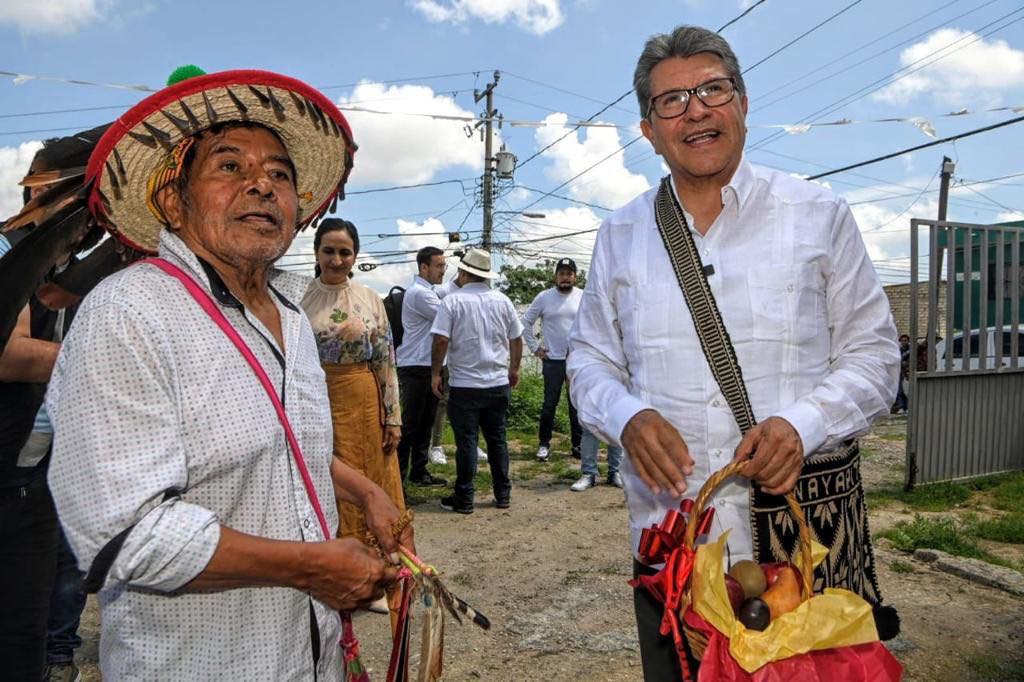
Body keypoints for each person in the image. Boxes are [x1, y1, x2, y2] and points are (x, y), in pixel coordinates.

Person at [45, 68, 411, 679]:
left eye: (279, 174)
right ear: (173, 203)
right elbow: (122, 536)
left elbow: (281, 446)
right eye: (230, 167)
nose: (262, 186)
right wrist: (311, 566)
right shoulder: (129, 312)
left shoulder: (293, 317)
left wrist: (366, 491)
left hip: (306, 652)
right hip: (201, 660)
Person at [567, 26, 900, 679]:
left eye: (712, 89)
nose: (695, 109)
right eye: (672, 101)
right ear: (648, 130)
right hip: (675, 550)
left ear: (742, 104)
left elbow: (876, 357)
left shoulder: (818, 214)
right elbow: (588, 362)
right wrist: (627, 417)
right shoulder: (621, 234)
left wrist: (803, 426)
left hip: (805, 549)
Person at [0, 130, 105, 682]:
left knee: (29, 626)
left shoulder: (74, 272)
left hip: (41, 474)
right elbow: (10, 354)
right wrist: (104, 360)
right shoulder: (4, 253)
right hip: (4, 473)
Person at [301, 217, 406, 624]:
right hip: (315, 397)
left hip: (362, 397)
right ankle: (335, 572)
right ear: (316, 254)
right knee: (323, 481)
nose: (337, 259)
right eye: (329, 250)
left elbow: (385, 359)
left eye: (345, 252)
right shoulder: (299, 299)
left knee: (366, 479)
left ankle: (376, 576)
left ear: (355, 257)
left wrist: (392, 415)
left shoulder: (368, 299)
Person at [431, 248, 523, 514]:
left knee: (467, 442)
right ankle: (503, 494)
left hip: (464, 384)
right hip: (496, 382)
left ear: (463, 272)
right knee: (498, 439)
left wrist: (436, 373)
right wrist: (514, 368)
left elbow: (441, 340)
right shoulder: (503, 301)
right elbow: (516, 338)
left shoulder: (453, 302)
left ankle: (465, 499)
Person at [521, 257, 584, 461]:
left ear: (575, 276)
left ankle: (578, 445)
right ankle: (543, 444)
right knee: (550, 403)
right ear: (556, 276)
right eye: (561, 273)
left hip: (576, 360)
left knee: (576, 404)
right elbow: (525, 322)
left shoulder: (583, 297)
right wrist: (535, 348)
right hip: (552, 360)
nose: (565, 277)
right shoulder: (544, 297)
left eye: (569, 274)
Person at [396, 245, 449, 487]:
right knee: (410, 425)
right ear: (424, 267)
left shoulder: (430, 291)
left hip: (427, 365)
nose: (443, 270)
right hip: (416, 366)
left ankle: (418, 472)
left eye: (444, 265)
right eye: (439, 265)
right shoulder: (420, 293)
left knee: (426, 422)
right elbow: (448, 317)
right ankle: (398, 476)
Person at [893, 334, 910, 413]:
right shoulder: (898, 350)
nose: (904, 342)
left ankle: (907, 407)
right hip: (900, 373)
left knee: (907, 391)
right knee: (900, 391)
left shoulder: (910, 350)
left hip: (907, 373)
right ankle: (901, 407)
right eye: (902, 341)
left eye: (905, 340)